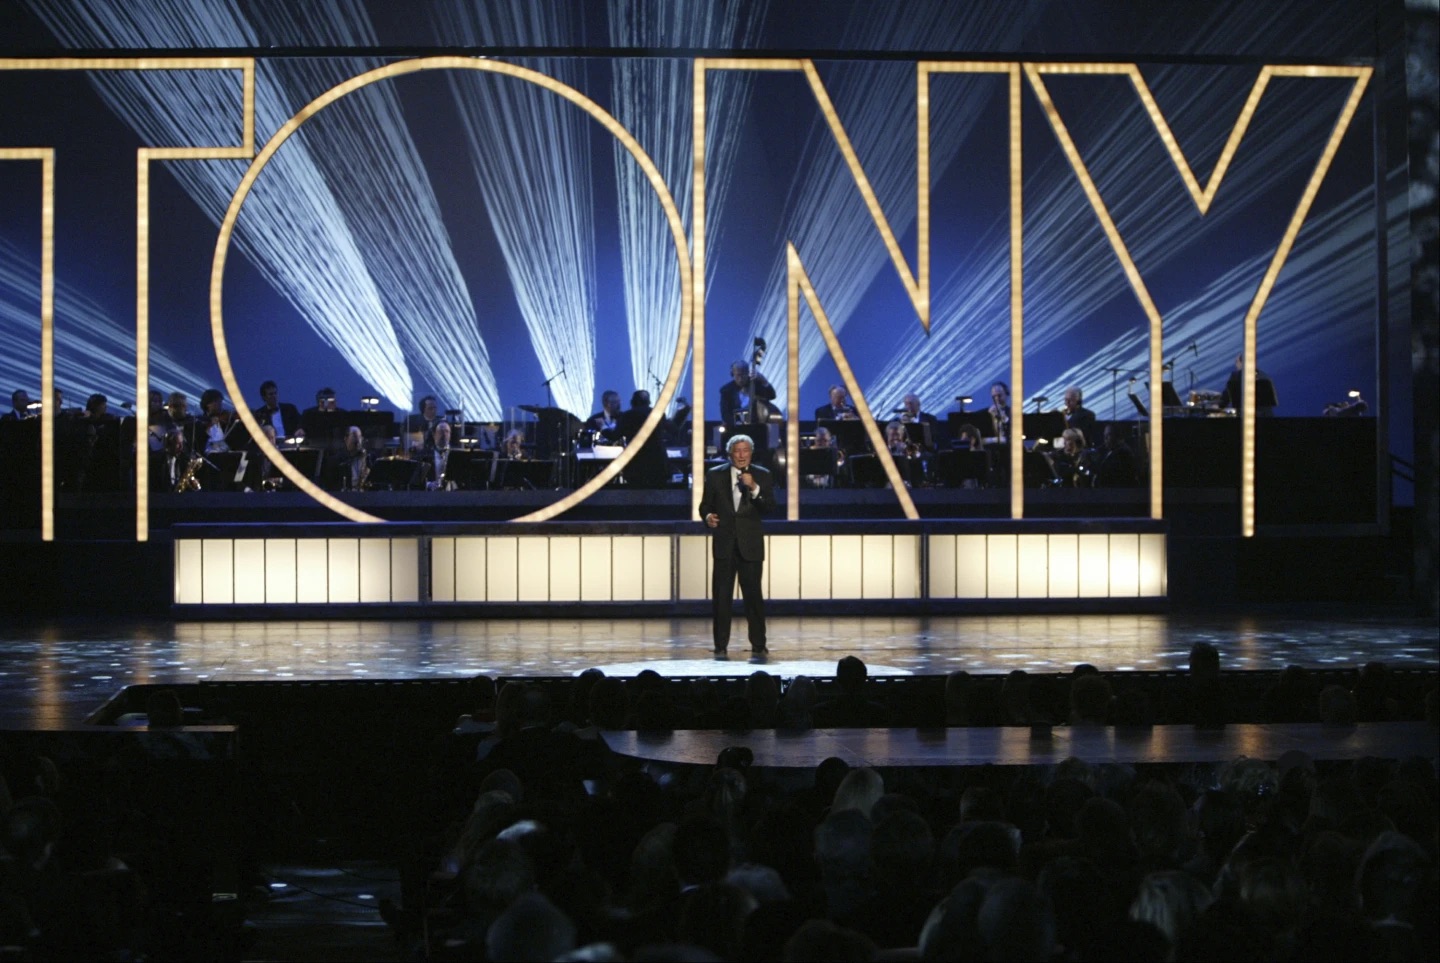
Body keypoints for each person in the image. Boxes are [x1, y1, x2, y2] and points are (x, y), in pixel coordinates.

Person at [699, 434, 775, 659]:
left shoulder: (763, 475)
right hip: (724, 544)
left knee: (753, 597)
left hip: (750, 546)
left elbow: (769, 507)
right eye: (737, 450)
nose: (741, 455)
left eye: (745, 450)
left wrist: (754, 488)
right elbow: (705, 505)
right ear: (729, 453)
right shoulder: (714, 475)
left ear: (751, 453)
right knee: (721, 597)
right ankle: (720, 645)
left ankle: (759, 645)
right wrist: (707, 517)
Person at [617, 390, 670, 488]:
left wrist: (603, 427)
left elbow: (615, 435)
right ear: (648, 401)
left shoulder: (627, 415)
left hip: (636, 463)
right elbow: (671, 430)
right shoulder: (659, 414)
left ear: (633, 401)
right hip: (657, 462)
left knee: (636, 496)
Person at [1093, 423, 1139, 487]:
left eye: (1108, 435)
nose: (1105, 438)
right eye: (1104, 435)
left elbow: (1109, 474)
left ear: (1117, 436)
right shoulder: (1112, 451)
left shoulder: (1123, 453)